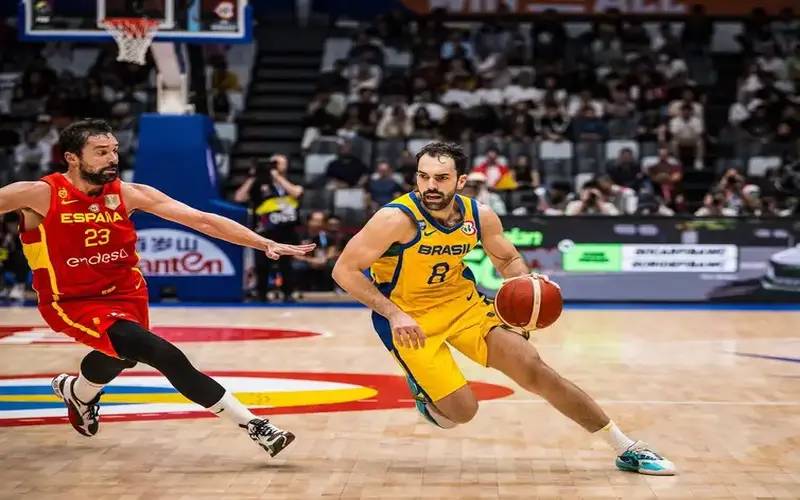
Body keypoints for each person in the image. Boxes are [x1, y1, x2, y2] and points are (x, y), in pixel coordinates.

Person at [332, 142, 675, 476]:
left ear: (461, 181)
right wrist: (394, 314)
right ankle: (424, 390)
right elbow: (343, 271)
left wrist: (522, 286)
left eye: (440, 178)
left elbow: (508, 258)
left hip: (463, 305)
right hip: (410, 320)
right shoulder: (394, 219)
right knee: (461, 413)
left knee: (536, 370)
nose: (430, 186)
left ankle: (625, 447)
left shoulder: (478, 215)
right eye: (423, 177)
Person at [0, 119, 315, 457]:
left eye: (115, 151)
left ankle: (79, 391)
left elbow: (202, 219)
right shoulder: (38, 194)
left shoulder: (128, 193)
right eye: (101, 152)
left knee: (122, 356)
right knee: (162, 353)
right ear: (72, 158)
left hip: (127, 291)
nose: (112, 159)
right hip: (73, 300)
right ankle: (257, 427)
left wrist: (261, 242)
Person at [234, 154, 302, 302]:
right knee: (262, 264)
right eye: (274, 163)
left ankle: (288, 293)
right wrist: (253, 176)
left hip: (286, 228)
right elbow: (239, 197)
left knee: (286, 263)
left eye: (280, 163)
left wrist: (277, 177)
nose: (276, 166)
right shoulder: (259, 182)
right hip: (264, 228)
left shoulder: (291, 180)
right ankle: (261, 294)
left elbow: (296, 192)